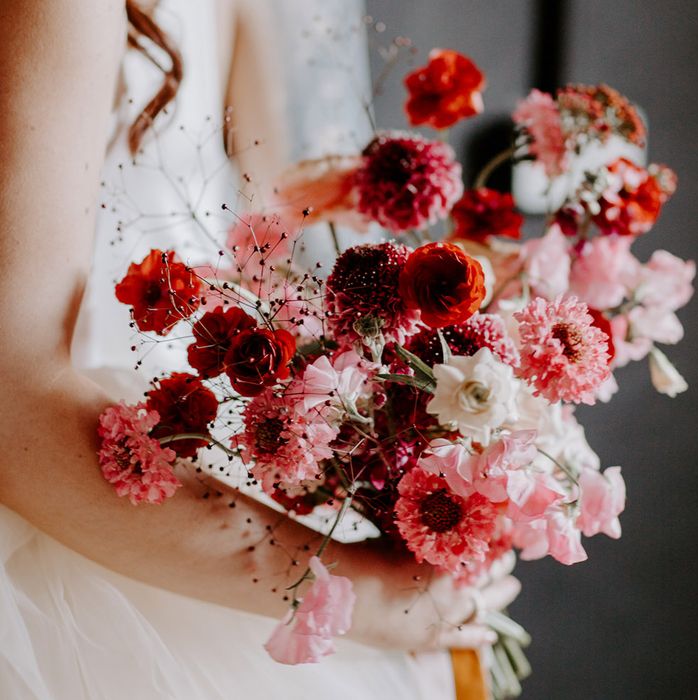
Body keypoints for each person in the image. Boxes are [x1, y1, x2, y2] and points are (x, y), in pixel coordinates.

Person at [0, 1, 519, 698]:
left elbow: (265, 244)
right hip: (83, 495)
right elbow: (10, 400)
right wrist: (359, 593)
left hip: (216, 454)